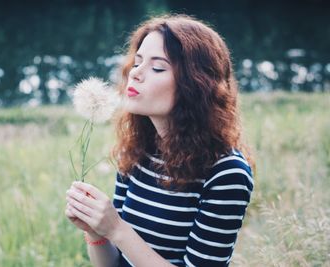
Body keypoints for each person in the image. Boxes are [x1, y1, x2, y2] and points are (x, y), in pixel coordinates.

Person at [65, 14, 254, 267]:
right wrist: (96, 231)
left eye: (157, 67)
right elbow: (113, 264)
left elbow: (122, 234)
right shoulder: (137, 152)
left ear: (195, 85)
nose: (135, 74)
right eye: (137, 62)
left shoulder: (227, 174)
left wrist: (117, 229)